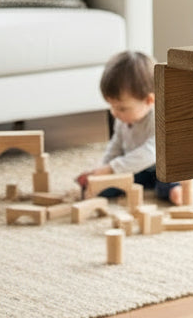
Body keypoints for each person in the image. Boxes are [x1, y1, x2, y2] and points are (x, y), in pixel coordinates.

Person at [77, 50, 183, 205]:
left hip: (165, 168)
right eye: (111, 107)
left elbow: (150, 153)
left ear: (149, 100)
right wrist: (103, 170)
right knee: (108, 189)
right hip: (138, 169)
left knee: (167, 182)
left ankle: (176, 189)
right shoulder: (122, 119)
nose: (114, 113)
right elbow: (115, 146)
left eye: (121, 108)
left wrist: (111, 169)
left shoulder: (159, 119)